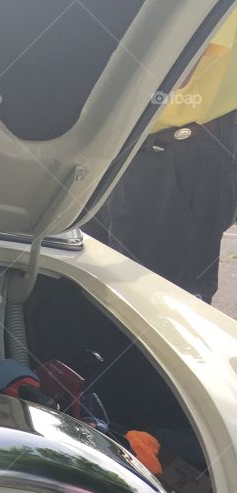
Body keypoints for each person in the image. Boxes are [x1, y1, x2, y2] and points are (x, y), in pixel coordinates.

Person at [90, 12, 237, 303]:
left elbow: (172, 69)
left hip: (178, 155)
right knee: (93, 288)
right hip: (121, 149)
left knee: (159, 303)